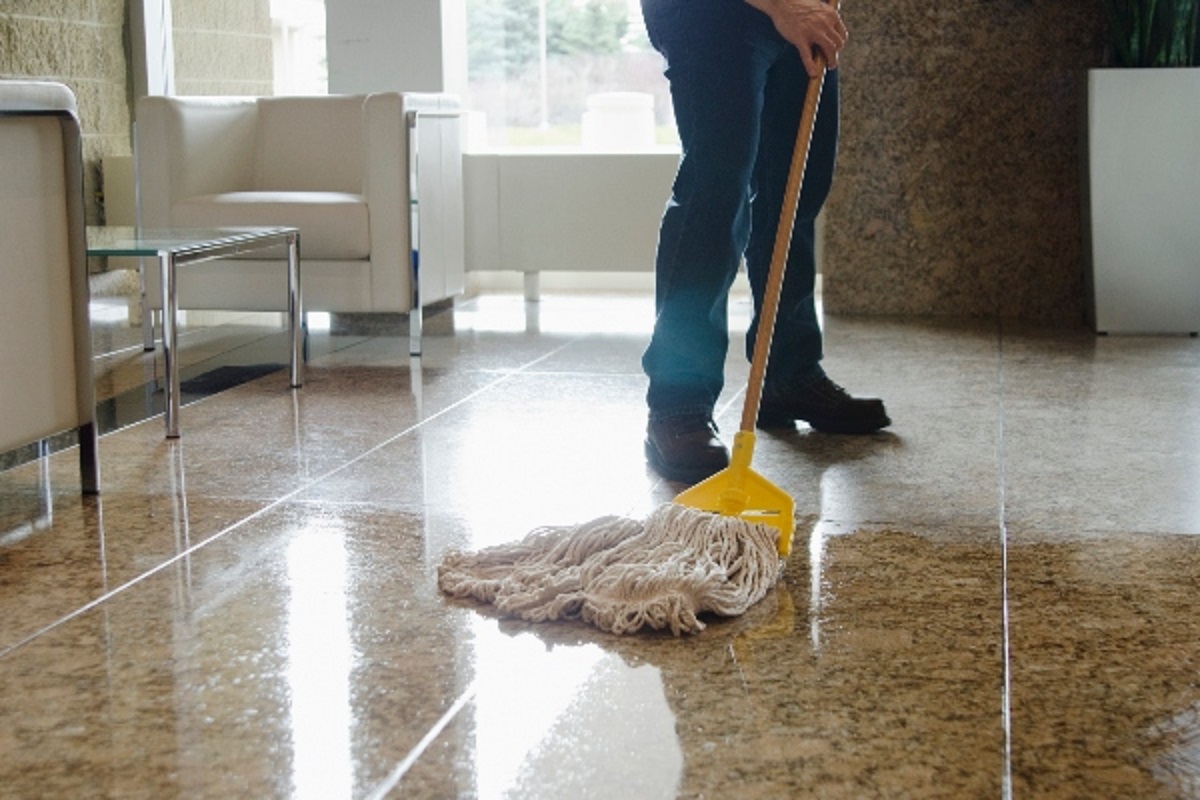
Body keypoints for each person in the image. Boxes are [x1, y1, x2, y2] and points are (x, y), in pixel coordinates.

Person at [640, 0, 891, 484]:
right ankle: (678, 406)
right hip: (711, 14)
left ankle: (788, 373)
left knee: (796, 192)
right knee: (715, 195)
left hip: (805, 13)